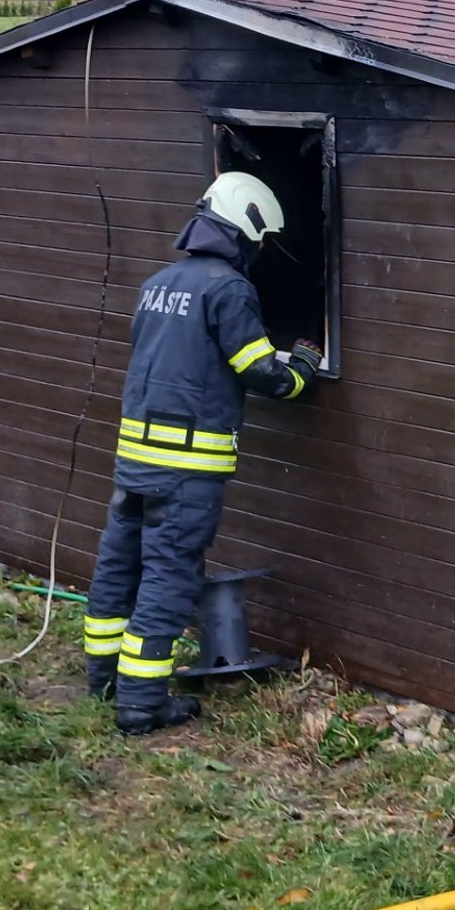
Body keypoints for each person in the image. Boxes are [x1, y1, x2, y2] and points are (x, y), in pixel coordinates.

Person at [83, 171, 321, 736]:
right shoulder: (228, 289)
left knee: (119, 567)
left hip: (135, 461)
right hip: (185, 470)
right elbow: (261, 372)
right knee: (169, 578)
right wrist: (303, 367)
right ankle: (142, 703)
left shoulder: (158, 284)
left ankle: (105, 678)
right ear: (247, 230)